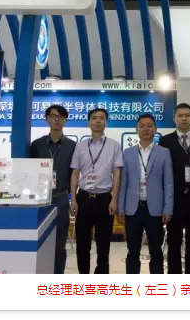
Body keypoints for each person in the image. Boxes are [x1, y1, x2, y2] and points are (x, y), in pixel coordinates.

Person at [118, 114, 174, 274]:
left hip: (155, 209)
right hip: (132, 208)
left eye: (149, 126)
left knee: (156, 252)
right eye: (142, 126)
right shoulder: (128, 153)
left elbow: (168, 182)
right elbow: (123, 182)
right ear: (136, 129)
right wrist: (121, 208)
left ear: (155, 129)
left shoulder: (164, 152)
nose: (145, 129)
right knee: (132, 251)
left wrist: (168, 208)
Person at [70, 108, 123, 274]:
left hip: (104, 199)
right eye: (94, 118)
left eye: (101, 118)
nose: (98, 121)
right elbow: (75, 173)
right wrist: (74, 199)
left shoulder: (114, 145)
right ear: (89, 122)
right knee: (82, 244)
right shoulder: (80, 146)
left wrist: (114, 199)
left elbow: (117, 173)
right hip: (83, 198)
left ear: (106, 122)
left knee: (103, 245)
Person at [159, 103, 190, 274]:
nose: (184, 118)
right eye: (180, 115)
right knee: (173, 243)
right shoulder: (165, 141)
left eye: (187, 115)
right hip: (174, 201)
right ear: (174, 118)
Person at [30, 104, 77, 274]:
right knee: (38, 240)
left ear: (65, 120)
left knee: (59, 245)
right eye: (53, 116)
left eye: (60, 117)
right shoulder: (37, 145)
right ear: (46, 119)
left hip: (61, 199)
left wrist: (73, 198)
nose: (57, 120)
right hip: (39, 200)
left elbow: (74, 174)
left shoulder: (72, 146)